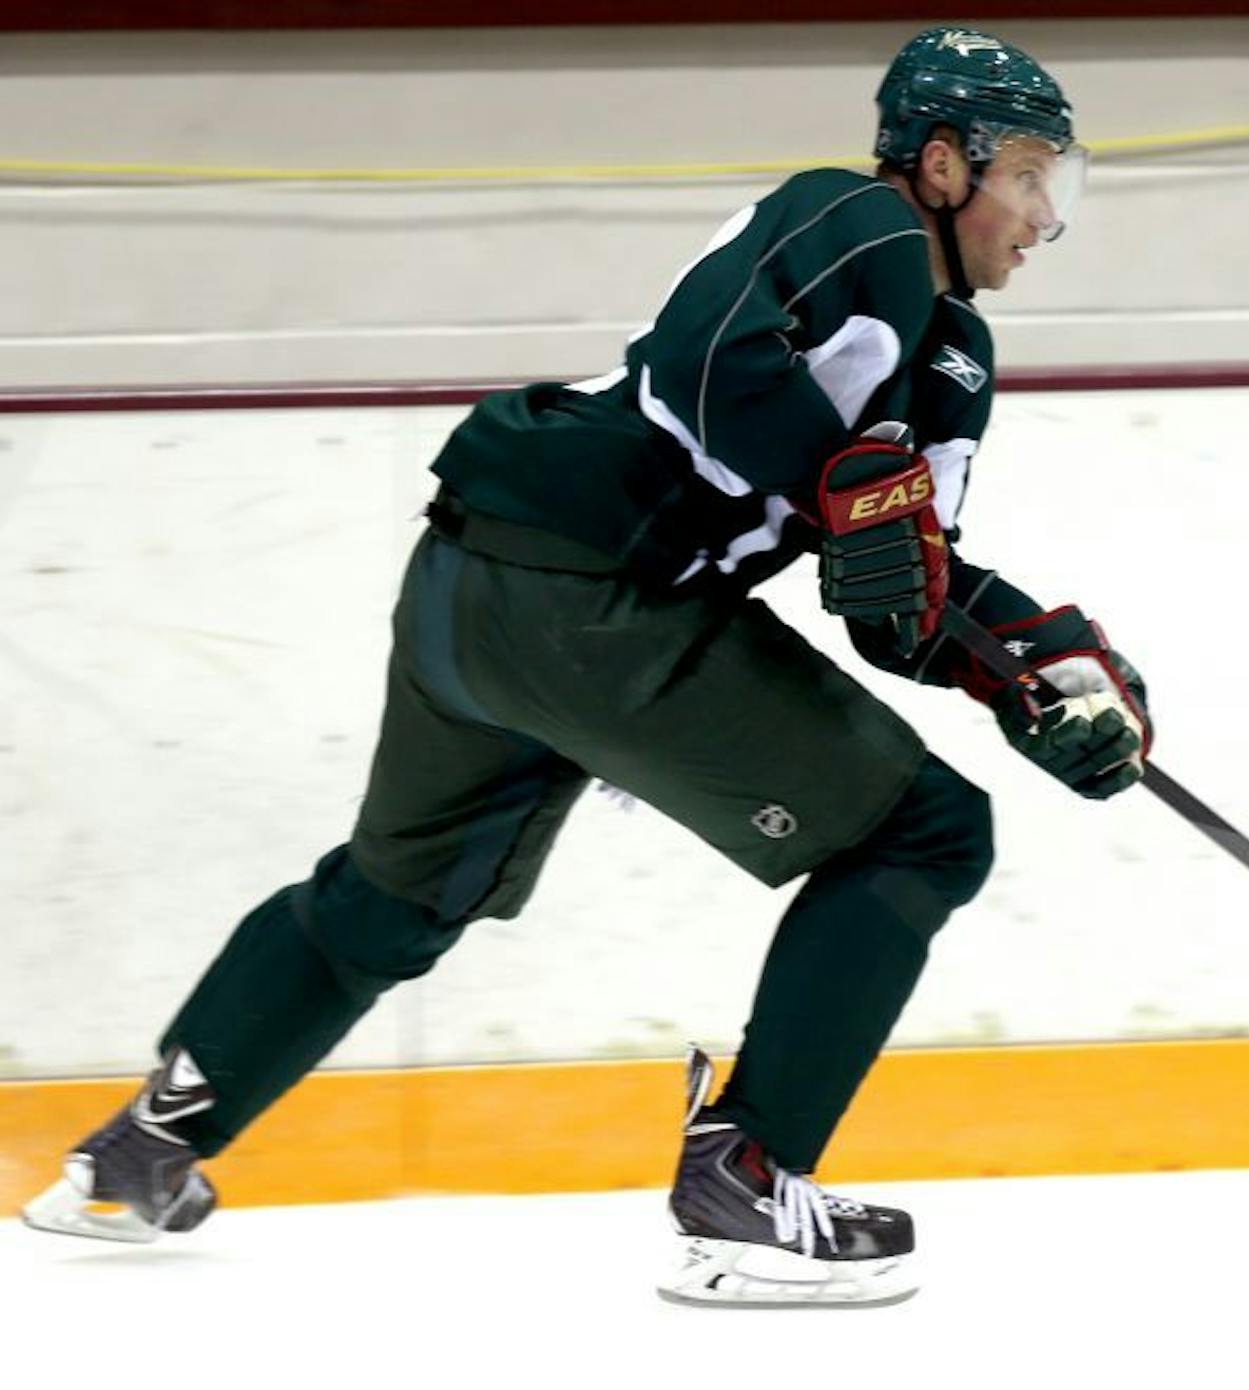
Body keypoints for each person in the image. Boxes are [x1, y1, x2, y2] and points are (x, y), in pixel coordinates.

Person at [21, 26, 1150, 1310]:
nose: (1045, 215)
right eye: (1027, 174)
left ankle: (138, 1153)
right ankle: (747, 1181)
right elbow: (705, 364)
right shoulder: (859, 220)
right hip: (597, 598)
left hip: (477, 590)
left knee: (395, 898)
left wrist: (1032, 668)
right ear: (942, 164)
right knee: (929, 834)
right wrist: (844, 491)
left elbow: (899, 594)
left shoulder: (951, 364)